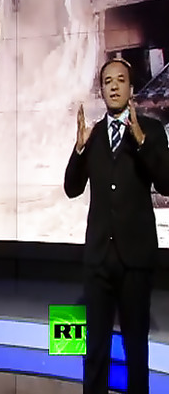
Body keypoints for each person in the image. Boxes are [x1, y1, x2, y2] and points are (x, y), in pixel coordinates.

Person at [64, 57, 169, 394]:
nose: (113, 86)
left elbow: (166, 182)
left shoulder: (151, 130)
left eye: (120, 80)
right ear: (102, 90)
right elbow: (71, 188)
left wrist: (141, 140)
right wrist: (79, 149)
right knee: (95, 349)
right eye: (107, 81)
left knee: (136, 349)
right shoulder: (92, 134)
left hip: (135, 259)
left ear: (131, 88)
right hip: (99, 260)